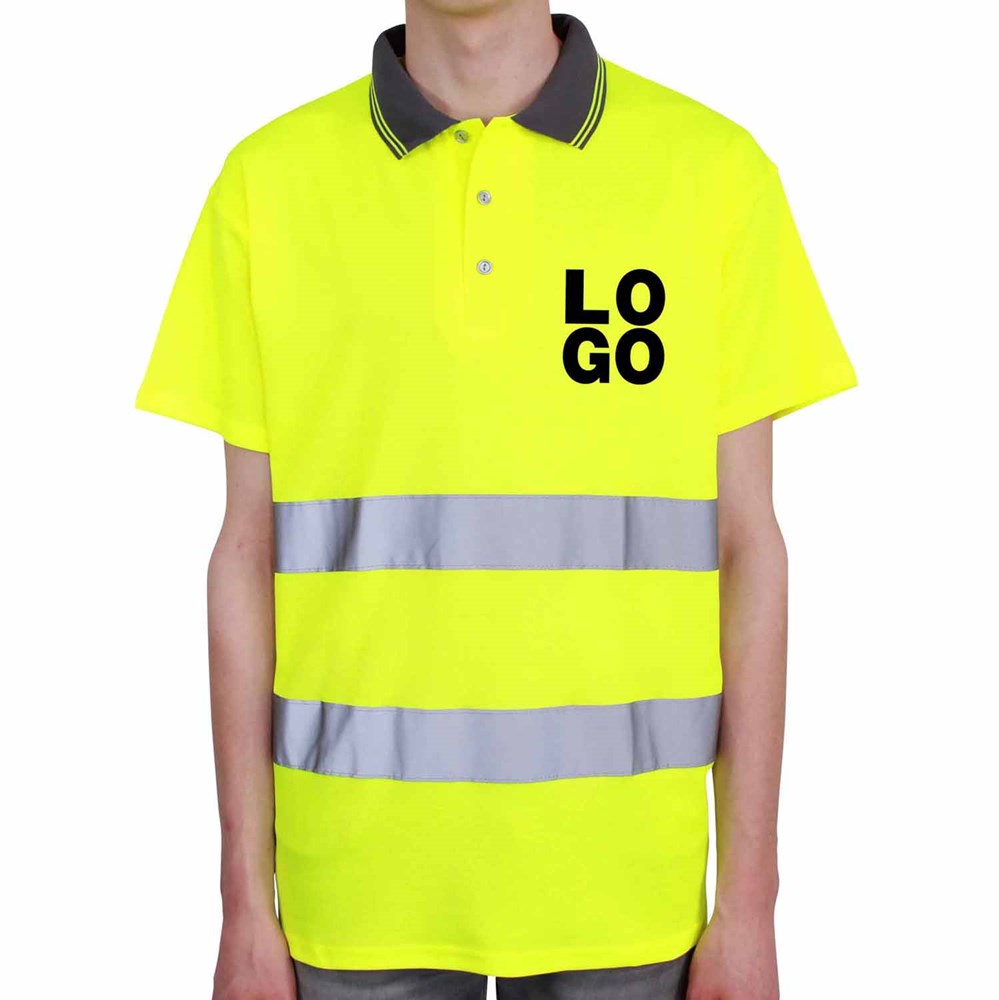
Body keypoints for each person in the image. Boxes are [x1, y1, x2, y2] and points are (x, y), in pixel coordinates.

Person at [135, 2, 857, 998]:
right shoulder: (268, 184)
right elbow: (245, 553)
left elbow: (749, 549)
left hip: (628, 905)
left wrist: (750, 905)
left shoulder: (714, 176)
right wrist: (241, 905)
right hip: (349, 906)